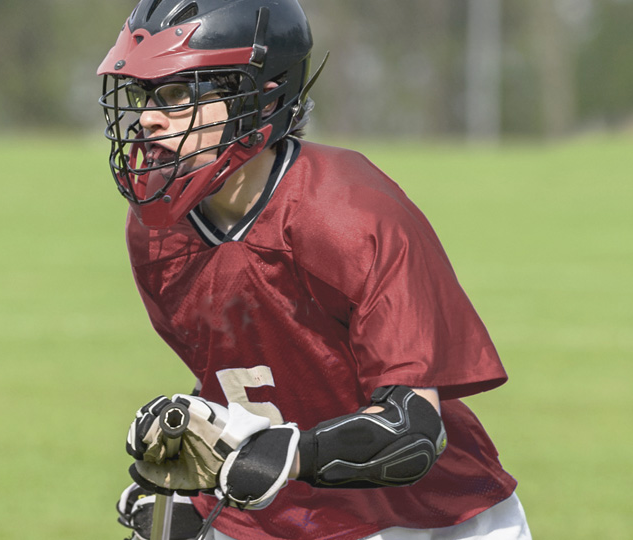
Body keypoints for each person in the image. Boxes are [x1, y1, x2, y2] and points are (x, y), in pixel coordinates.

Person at [97, 0, 532, 539]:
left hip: (428, 520)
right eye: (142, 94)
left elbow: (412, 431)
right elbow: (248, 377)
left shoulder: (347, 213)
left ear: (260, 96)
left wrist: (284, 458)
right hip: (283, 516)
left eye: (178, 93)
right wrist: (200, 488)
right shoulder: (156, 235)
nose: (146, 118)